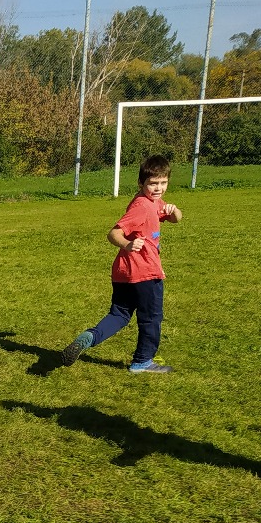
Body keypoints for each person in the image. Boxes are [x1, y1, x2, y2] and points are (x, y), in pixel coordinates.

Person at [61, 154, 183, 373]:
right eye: (153, 183)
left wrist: (173, 211)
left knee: (119, 314)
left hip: (124, 272)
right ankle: (142, 361)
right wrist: (127, 244)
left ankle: (90, 337)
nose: (158, 188)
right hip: (145, 272)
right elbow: (114, 233)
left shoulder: (152, 201)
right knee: (151, 317)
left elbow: (176, 218)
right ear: (141, 183)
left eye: (163, 182)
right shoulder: (142, 207)